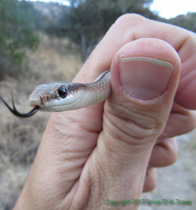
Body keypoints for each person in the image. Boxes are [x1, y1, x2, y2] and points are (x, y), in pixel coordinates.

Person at [14, 14, 196, 209]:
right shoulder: (101, 82)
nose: (44, 100)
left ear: (77, 89)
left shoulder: (101, 81)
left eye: (61, 93)